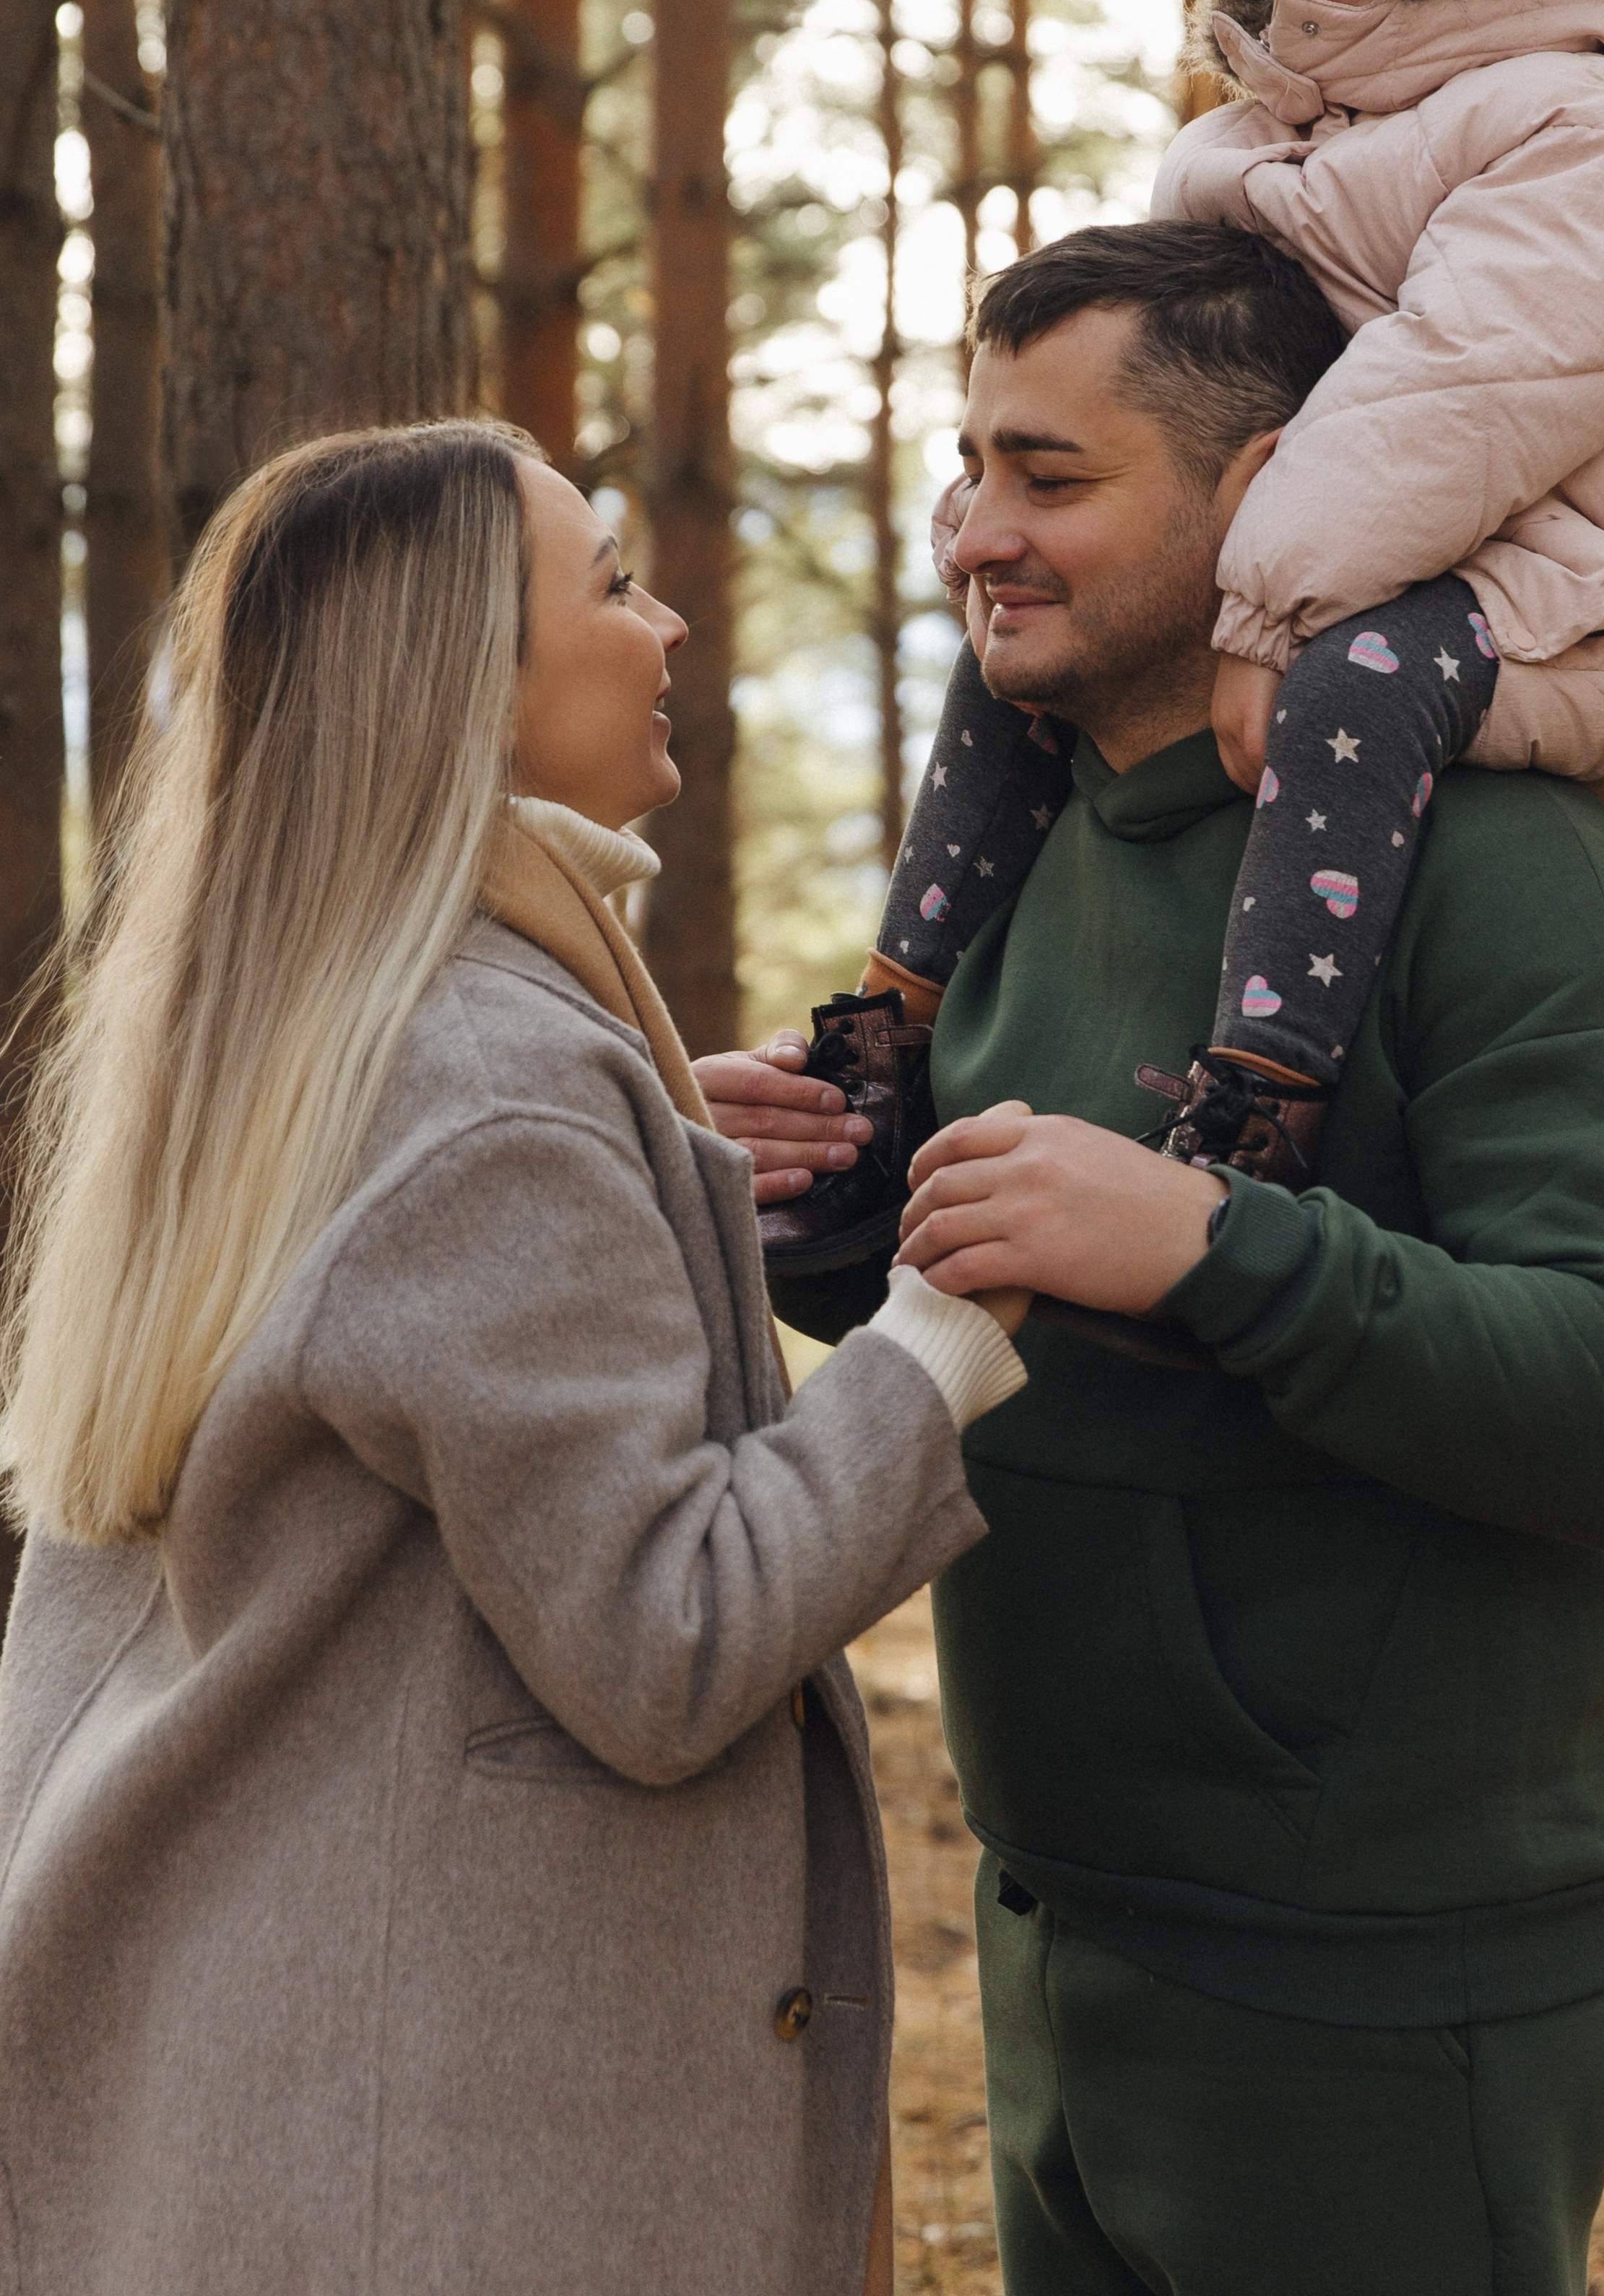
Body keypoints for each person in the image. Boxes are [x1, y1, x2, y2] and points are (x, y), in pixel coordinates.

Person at [698, 225, 1604, 2295]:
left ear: (1270, 498)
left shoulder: (1526, 879)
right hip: (1058, 1910)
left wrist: (1219, 1244)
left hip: (1372, 1963)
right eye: (969, 471)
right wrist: (818, 1214)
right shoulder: (1032, 852)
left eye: (1050, 479)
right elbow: (1044, 1313)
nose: (977, 532)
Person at [0, 421, 1028, 2296]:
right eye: (614, 583)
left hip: (250, 2056)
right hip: (447, 2156)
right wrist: (956, 1324)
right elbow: (671, 1639)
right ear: (474, 690)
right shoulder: (490, 1091)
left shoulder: (297, 1024)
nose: (674, 624)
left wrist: (640, 1141)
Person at [763, 0, 1604, 1268]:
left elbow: (1462, 385)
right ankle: (883, 1038)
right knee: (1009, 648)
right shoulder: (1253, 134)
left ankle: (1257, 1107)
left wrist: (1264, 608)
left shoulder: (1579, 119)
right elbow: (1171, 387)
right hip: (1367, 544)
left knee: (1346, 691)